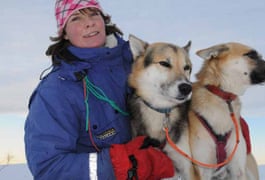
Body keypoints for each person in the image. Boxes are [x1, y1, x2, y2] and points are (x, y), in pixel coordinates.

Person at [24, 0, 174, 179]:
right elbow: (49, 169)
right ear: (64, 33)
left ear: (104, 20)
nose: (89, 22)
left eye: (94, 14)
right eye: (76, 18)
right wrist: (123, 164)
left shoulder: (139, 62)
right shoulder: (55, 91)